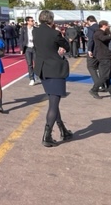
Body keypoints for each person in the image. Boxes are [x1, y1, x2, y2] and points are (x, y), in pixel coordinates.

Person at [33, 10, 73, 147]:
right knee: (53, 104)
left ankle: (63, 130)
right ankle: (47, 135)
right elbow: (67, 46)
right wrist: (56, 32)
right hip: (55, 69)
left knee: (53, 101)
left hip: (43, 69)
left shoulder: (35, 32)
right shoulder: (55, 33)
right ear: (51, 20)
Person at [89, 21, 111, 99]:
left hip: (104, 56)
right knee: (105, 75)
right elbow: (104, 38)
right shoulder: (99, 33)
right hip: (104, 56)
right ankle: (94, 89)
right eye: (107, 26)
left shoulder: (100, 33)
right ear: (103, 26)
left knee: (107, 75)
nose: (108, 27)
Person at [19, 16, 40, 86]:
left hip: (35, 48)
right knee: (29, 64)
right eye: (31, 21)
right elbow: (21, 39)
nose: (33, 22)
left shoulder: (36, 29)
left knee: (36, 63)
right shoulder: (23, 29)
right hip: (27, 48)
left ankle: (37, 76)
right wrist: (21, 49)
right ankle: (31, 79)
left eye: (33, 20)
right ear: (27, 22)